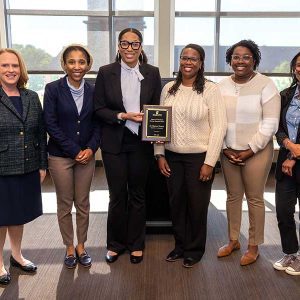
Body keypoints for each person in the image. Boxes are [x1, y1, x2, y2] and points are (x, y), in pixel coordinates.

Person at [155, 44, 227, 268]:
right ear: (180, 61)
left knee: (197, 206)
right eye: (184, 58)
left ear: (201, 63)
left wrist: (209, 162)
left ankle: (194, 250)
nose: (188, 62)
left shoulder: (210, 90)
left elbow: (219, 128)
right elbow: (158, 125)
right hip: (172, 156)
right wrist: (159, 154)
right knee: (176, 205)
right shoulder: (168, 89)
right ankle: (180, 246)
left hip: (199, 158)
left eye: (193, 59)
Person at [94, 28, 161, 264]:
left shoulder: (152, 73)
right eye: (125, 43)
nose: (130, 48)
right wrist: (123, 116)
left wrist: (156, 127)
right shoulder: (105, 72)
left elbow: (157, 107)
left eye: (135, 44)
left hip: (141, 143)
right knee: (116, 195)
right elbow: (99, 109)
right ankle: (114, 244)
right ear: (118, 47)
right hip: (114, 142)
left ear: (141, 47)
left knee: (138, 194)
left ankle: (136, 244)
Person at [217, 40, 280, 266]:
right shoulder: (221, 86)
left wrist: (249, 150)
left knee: (254, 199)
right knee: (233, 197)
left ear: (254, 59)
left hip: (257, 151)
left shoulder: (266, 84)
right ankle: (233, 240)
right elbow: (216, 119)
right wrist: (224, 147)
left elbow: (271, 123)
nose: (240, 61)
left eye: (246, 57)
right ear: (230, 60)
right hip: (228, 151)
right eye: (236, 57)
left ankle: (253, 246)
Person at [43, 44, 100, 268]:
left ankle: (81, 246)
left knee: (83, 202)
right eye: (72, 62)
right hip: (60, 156)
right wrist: (74, 150)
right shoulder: (53, 89)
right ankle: (69, 247)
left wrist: (90, 149)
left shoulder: (95, 90)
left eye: (81, 62)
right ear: (64, 65)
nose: (77, 66)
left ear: (88, 65)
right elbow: (50, 124)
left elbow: (99, 123)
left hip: (87, 155)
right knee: (65, 204)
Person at [0, 48, 47, 285]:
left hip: (28, 165)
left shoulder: (30, 97)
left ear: (21, 69)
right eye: (5, 66)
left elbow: (40, 132)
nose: (11, 70)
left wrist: (42, 165)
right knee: (1, 216)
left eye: (14, 66)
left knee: (18, 216)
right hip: (2, 167)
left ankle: (17, 255)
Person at [273, 51, 300, 275]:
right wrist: (289, 146)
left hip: (292, 159)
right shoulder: (286, 94)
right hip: (286, 161)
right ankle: (291, 253)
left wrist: (294, 155)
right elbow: (278, 127)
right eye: (298, 65)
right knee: (283, 211)